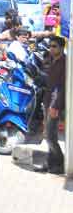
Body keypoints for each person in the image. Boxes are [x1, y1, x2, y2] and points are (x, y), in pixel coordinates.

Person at [36, 35, 66, 174]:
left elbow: (62, 87)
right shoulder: (51, 60)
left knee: (50, 136)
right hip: (47, 100)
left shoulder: (64, 62)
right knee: (47, 134)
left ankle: (60, 163)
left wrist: (56, 106)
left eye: (54, 46)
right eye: (50, 46)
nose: (51, 49)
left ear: (61, 47)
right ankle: (50, 163)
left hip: (54, 103)